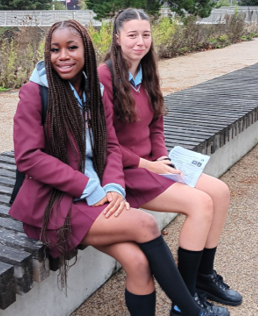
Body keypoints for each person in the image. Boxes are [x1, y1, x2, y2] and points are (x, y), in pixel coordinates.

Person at [9, 20, 222, 315]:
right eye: (55, 50)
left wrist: (113, 187)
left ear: (86, 50)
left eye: (72, 47)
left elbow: (108, 147)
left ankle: (187, 303)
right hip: (53, 201)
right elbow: (29, 158)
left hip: (96, 192)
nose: (63, 56)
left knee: (138, 263)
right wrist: (88, 187)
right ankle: (189, 309)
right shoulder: (35, 93)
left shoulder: (93, 92)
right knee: (145, 223)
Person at [98, 8, 241, 315]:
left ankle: (203, 278)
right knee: (200, 204)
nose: (140, 42)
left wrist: (162, 157)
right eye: (132, 35)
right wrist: (149, 165)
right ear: (117, 37)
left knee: (219, 192)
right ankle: (184, 299)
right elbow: (103, 143)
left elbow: (156, 125)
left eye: (145, 35)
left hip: (154, 164)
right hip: (127, 171)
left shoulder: (147, 72)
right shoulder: (104, 77)